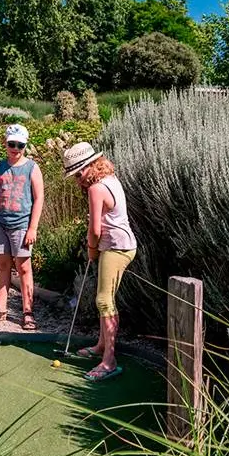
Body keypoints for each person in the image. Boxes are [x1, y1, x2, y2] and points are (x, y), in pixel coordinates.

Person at [62, 142, 137, 382]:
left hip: (116, 247)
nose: (78, 180)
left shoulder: (96, 188)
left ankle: (109, 362)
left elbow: (94, 229)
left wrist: (92, 249)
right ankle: (101, 346)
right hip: (122, 245)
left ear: (90, 166)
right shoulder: (111, 179)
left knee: (104, 300)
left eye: (79, 173)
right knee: (105, 298)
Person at [0, 124, 44, 330]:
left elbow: (39, 197)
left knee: (24, 267)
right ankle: (0, 308)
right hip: (0, 222)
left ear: (25, 145)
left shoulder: (32, 167)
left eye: (20, 145)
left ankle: (27, 311)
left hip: (21, 224)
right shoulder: (0, 167)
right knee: (3, 265)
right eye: (12, 144)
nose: (15, 148)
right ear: (5, 143)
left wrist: (33, 227)